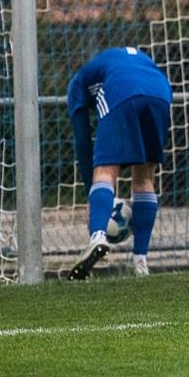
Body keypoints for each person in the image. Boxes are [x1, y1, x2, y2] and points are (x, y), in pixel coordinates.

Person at [66, 46, 173, 279]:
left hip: (122, 90)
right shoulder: (121, 61)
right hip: (161, 92)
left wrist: (90, 198)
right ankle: (140, 261)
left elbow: (83, 143)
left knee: (105, 171)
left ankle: (98, 237)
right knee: (145, 176)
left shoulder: (77, 83)